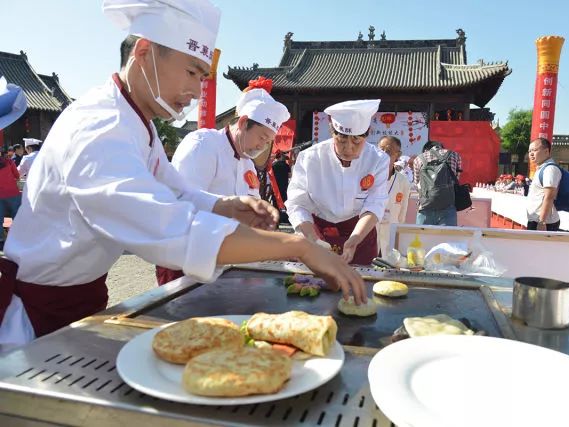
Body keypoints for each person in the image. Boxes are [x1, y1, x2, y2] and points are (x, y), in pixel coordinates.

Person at [0, 0, 365, 350]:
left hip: (80, 298)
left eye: (202, 77)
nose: (195, 90)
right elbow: (166, 225)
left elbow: (174, 191)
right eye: (191, 71)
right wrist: (297, 246)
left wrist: (223, 205)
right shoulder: (101, 126)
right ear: (143, 53)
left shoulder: (136, 122)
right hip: (35, 317)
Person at [157, 88, 290, 285]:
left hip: (225, 260)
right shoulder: (203, 144)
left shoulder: (247, 163)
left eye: (268, 141)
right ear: (244, 123)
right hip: (186, 257)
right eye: (262, 137)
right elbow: (183, 203)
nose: (262, 146)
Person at [286, 99, 389, 265]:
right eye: (341, 139)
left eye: (356, 141)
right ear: (332, 131)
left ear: (368, 132)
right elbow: (297, 203)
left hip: (359, 232)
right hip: (318, 230)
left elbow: (375, 203)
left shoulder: (378, 159)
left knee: (361, 285)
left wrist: (355, 238)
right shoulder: (310, 158)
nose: (348, 148)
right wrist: (311, 237)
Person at [413, 140, 462, 226]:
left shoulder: (418, 159)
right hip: (448, 206)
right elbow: (456, 180)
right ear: (441, 147)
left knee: (422, 238)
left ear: (425, 150)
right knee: (447, 238)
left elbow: (417, 184)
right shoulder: (454, 155)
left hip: (425, 207)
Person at [376, 136, 410, 258]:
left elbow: (402, 215)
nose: (384, 154)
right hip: (369, 233)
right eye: (381, 149)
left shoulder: (403, 181)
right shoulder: (368, 177)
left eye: (389, 151)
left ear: (398, 154)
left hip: (390, 233)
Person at [526, 137, 561, 231]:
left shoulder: (550, 169)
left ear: (546, 151)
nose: (531, 154)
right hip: (535, 219)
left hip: (545, 223)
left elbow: (549, 196)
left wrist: (542, 221)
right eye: (529, 151)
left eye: (534, 150)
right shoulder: (541, 168)